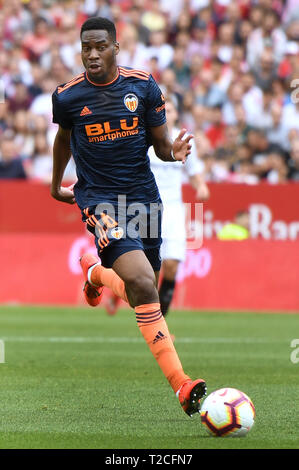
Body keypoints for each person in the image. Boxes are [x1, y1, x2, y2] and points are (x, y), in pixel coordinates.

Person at [51, 17, 206, 417]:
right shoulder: (67, 97)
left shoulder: (142, 86)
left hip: (144, 198)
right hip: (99, 200)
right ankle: (181, 384)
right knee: (142, 282)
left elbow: (159, 146)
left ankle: (95, 274)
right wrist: (56, 185)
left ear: (116, 47)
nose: (92, 54)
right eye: (86, 47)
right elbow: (63, 141)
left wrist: (175, 152)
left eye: (100, 46)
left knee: (142, 286)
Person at [106, 98, 210, 318]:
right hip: (145, 208)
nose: (166, 112)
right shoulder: (145, 140)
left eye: (170, 109)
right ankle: (117, 291)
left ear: (174, 116)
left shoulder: (181, 141)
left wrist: (201, 186)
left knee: (171, 266)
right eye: (163, 109)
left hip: (172, 210)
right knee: (144, 271)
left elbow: (193, 172)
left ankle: (160, 325)